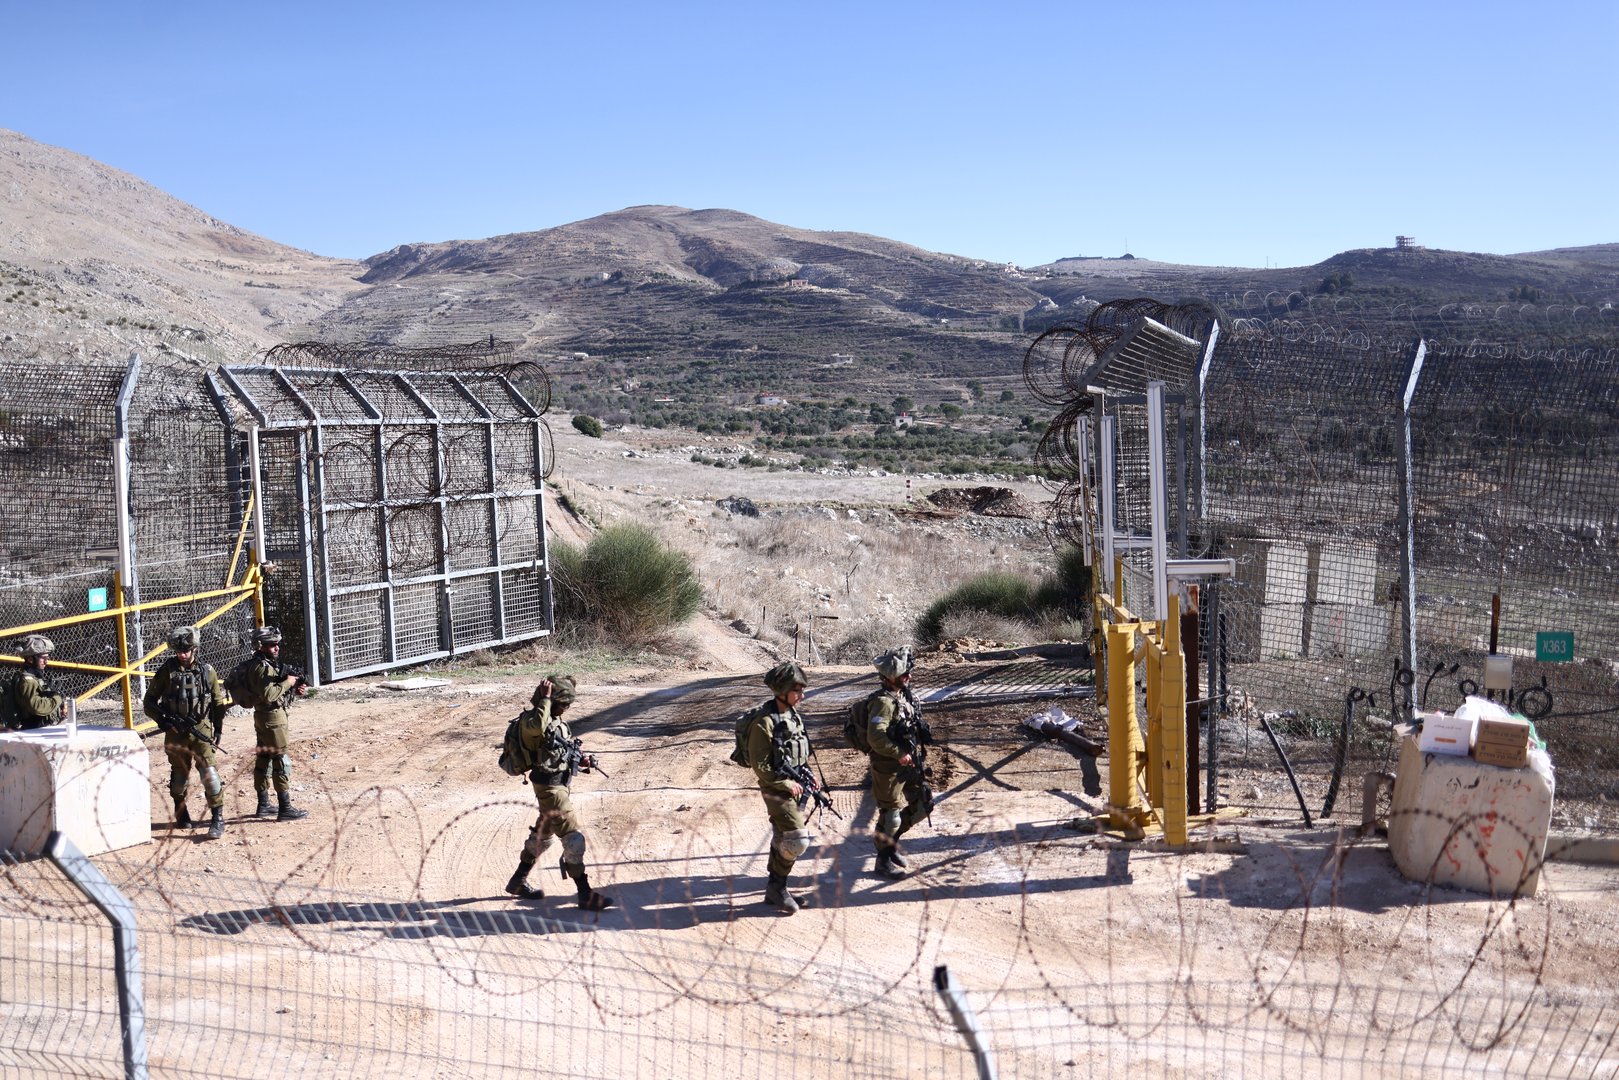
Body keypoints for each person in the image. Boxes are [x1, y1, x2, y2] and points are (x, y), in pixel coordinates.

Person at [503, 675, 614, 911]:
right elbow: (537, 729)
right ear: (551, 702)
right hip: (550, 789)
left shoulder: (554, 720)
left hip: (557, 785)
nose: (567, 708)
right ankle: (584, 894)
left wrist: (580, 759)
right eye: (563, 704)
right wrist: (544, 699)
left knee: (543, 838)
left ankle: (518, 881)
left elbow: (558, 749)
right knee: (573, 840)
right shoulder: (532, 721)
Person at [739, 661, 816, 914]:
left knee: (782, 837)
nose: (802, 696)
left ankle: (775, 889)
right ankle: (778, 888)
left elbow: (798, 754)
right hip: (775, 788)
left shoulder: (792, 715)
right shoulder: (764, 722)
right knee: (797, 841)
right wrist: (787, 783)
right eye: (797, 691)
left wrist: (808, 775)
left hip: (794, 785)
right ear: (782, 690)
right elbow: (761, 767)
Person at [143, 625, 230, 840]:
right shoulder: (166, 671)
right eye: (179, 651)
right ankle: (180, 809)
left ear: (195, 648)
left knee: (210, 774)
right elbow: (149, 703)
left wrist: (218, 728)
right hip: (175, 732)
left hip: (201, 728)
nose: (183, 655)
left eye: (187, 650)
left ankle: (217, 818)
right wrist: (163, 723)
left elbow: (218, 703)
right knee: (179, 776)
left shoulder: (207, 671)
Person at [864, 646, 934, 879]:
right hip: (888, 767)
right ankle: (882, 861)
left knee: (923, 805)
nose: (909, 677)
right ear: (891, 677)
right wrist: (897, 753)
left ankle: (890, 842)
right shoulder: (883, 702)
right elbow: (875, 736)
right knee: (891, 816)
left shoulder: (905, 696)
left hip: (909, 763)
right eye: (905, 674)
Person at [244, 627, 309, 822]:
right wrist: (289, 683)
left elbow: (272, 694)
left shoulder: (259, 664)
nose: (276, 648)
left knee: (263, 758)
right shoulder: (263, 667)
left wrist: (293, 692)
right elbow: (269, 694)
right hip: (273, 720)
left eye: (277, 644)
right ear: (260, 646)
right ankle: (285, 808)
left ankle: (263, 805)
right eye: (272, 645)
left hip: (264, 717)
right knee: (281, 760)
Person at [8, 635, 63, 730]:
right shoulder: (27, 681)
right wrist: (57, 700)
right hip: (33, 729)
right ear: (30, 659)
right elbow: (36, 706)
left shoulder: (34, 678)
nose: (47, 661)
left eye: (47, 657)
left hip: (38, 727)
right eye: (43, 658)